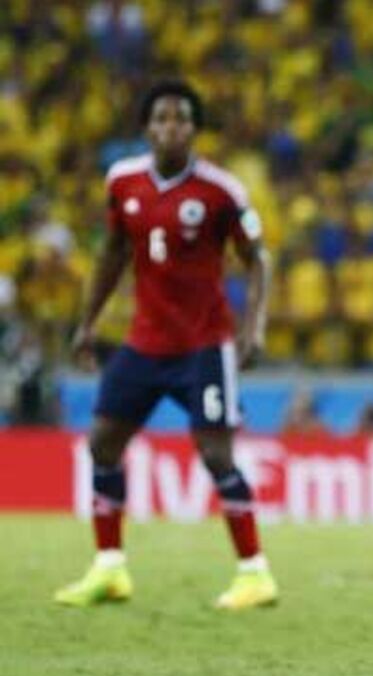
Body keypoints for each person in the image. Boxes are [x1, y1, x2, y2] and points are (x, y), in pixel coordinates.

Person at [54, 81, 275, 610]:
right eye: (161, 118)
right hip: (145, 342)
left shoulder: (221, 191)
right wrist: (87, 323)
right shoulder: (122, 181)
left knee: (215, 454)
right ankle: (109, 568)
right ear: (147, 128)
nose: (171, 127)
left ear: (195, 129)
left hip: (204, 344)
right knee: (103, 443)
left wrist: (254, 328)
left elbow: (258, 260)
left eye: (181, 119)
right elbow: (112, 252)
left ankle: (255, 574)